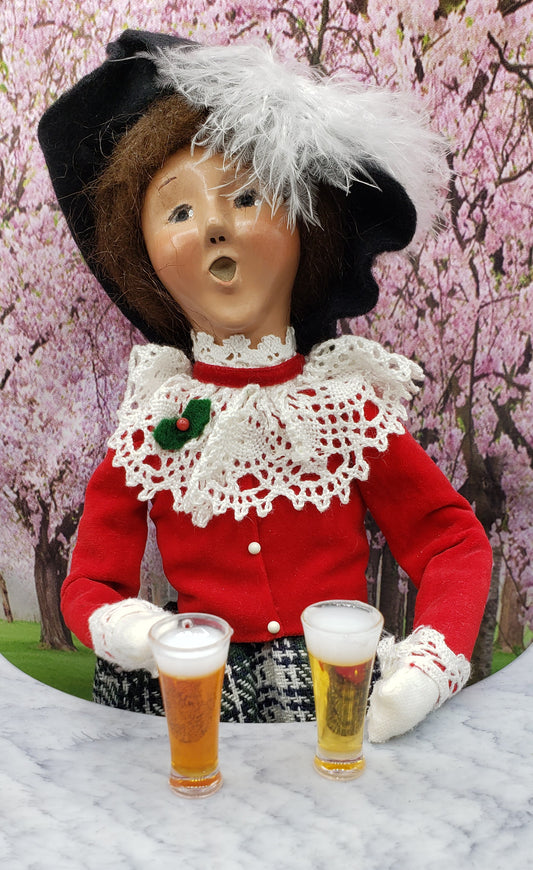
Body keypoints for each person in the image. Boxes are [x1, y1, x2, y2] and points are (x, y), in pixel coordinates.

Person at [38, 30, 492, 741]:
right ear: (145, 254)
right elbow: (92, 579)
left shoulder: (342, 406)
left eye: (245, 196)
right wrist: (129, 628)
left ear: (305, 229)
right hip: (190, 692)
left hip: (334, 687)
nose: (214, 224)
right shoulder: (155, 418)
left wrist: (432, 659)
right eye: (178, 210)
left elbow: (447, 540)